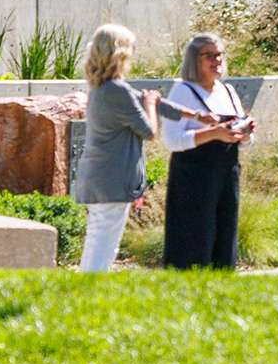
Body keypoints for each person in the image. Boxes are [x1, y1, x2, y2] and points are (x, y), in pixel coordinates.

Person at [160, 32, 254, 270]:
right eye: (209, 56)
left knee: (225, 233)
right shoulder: (183, 91)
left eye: (219, 54)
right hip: (193, 177)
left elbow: (242, 139)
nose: (217, 61)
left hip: (227, 173)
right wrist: (213, 134)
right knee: (193, 239)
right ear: (194, 60)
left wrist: (245, 132)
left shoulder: (228, 91)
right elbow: (171, 140)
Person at [72, 23, 157, 273]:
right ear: (120, 53)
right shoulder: (117, 90)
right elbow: (149, 131)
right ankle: (93, 295)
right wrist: (151, 103)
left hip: (96, 177)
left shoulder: (99, 88)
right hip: (113, 180)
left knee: (96, 240)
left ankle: (81, 293)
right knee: (106, 245)